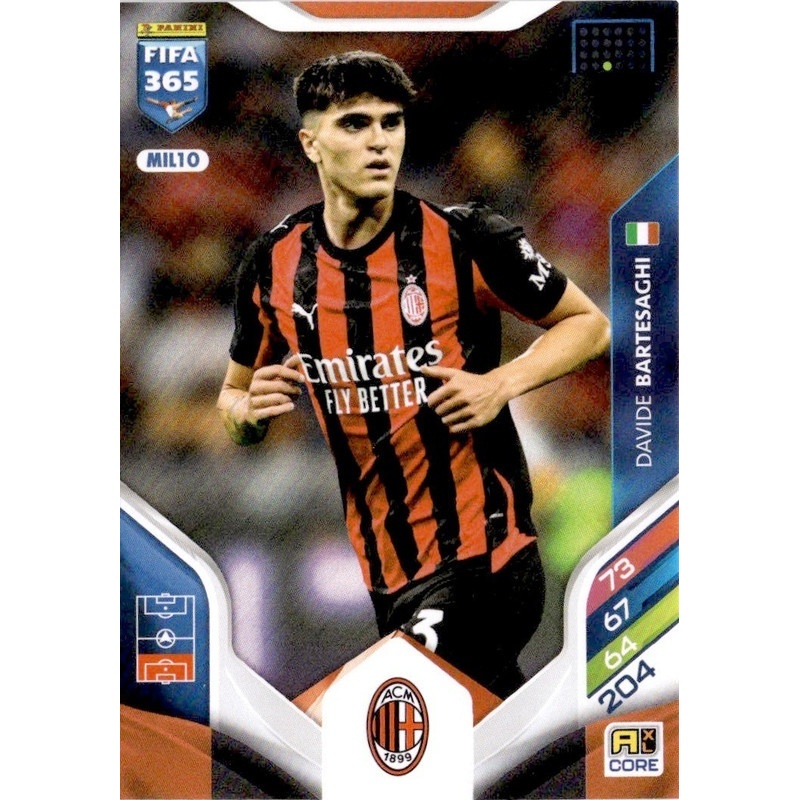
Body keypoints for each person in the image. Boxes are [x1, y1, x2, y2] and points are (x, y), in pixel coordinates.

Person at [217, 50, 610, 699]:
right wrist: (248, 417)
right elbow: (233, 401)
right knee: (491, 741)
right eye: (355, 124)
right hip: (390, 577)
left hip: (487, 560)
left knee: (342, 716)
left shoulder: (465, 238)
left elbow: (588, 324)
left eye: (390, 123)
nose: (378, 141)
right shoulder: (272, 264)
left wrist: (500, 383)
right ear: (311, 143)